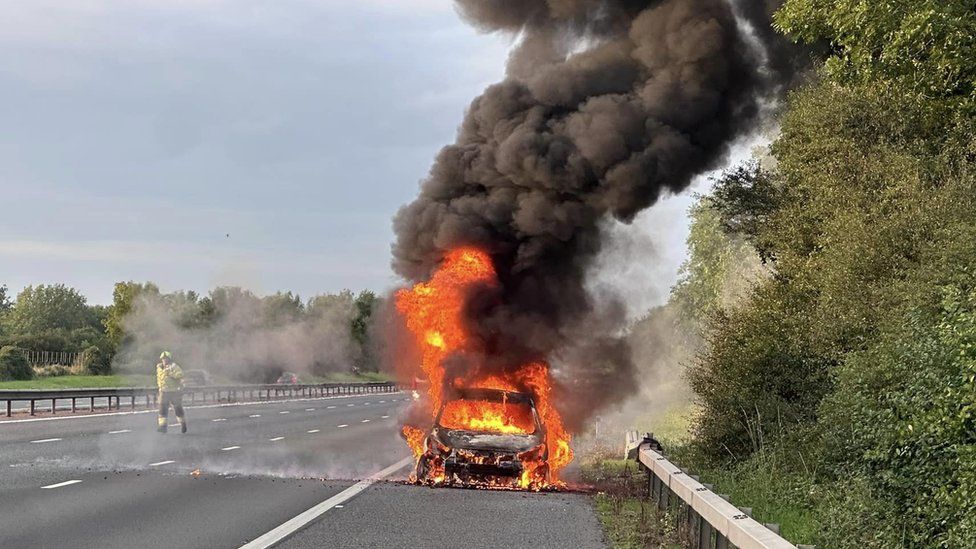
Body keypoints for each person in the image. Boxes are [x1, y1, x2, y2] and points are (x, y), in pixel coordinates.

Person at [156, 351, 187, 433]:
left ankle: (183, 423)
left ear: (169, 359)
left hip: (174, 391)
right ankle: (163, 427)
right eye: (163, 358)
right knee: (162, 409)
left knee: (177, 408)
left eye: (166, 358)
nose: (164, 360)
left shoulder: (174, 366)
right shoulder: (159, 368)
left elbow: (180, 375)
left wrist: (170, 374)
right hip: (163, 391)